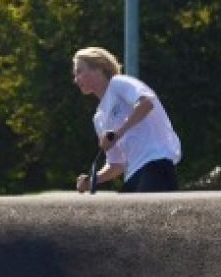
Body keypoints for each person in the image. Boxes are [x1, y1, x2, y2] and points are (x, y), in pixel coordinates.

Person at [72, 47, 181, 193]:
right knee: (121, 215)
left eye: (79, 71)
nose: (76, 79)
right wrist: (92, 180)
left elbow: (146, 104)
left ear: (98, 68)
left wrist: (117, 133)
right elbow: (117, 164)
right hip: (133, 174)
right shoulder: (98, 118)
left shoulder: (118, 83)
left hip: (156, 162)